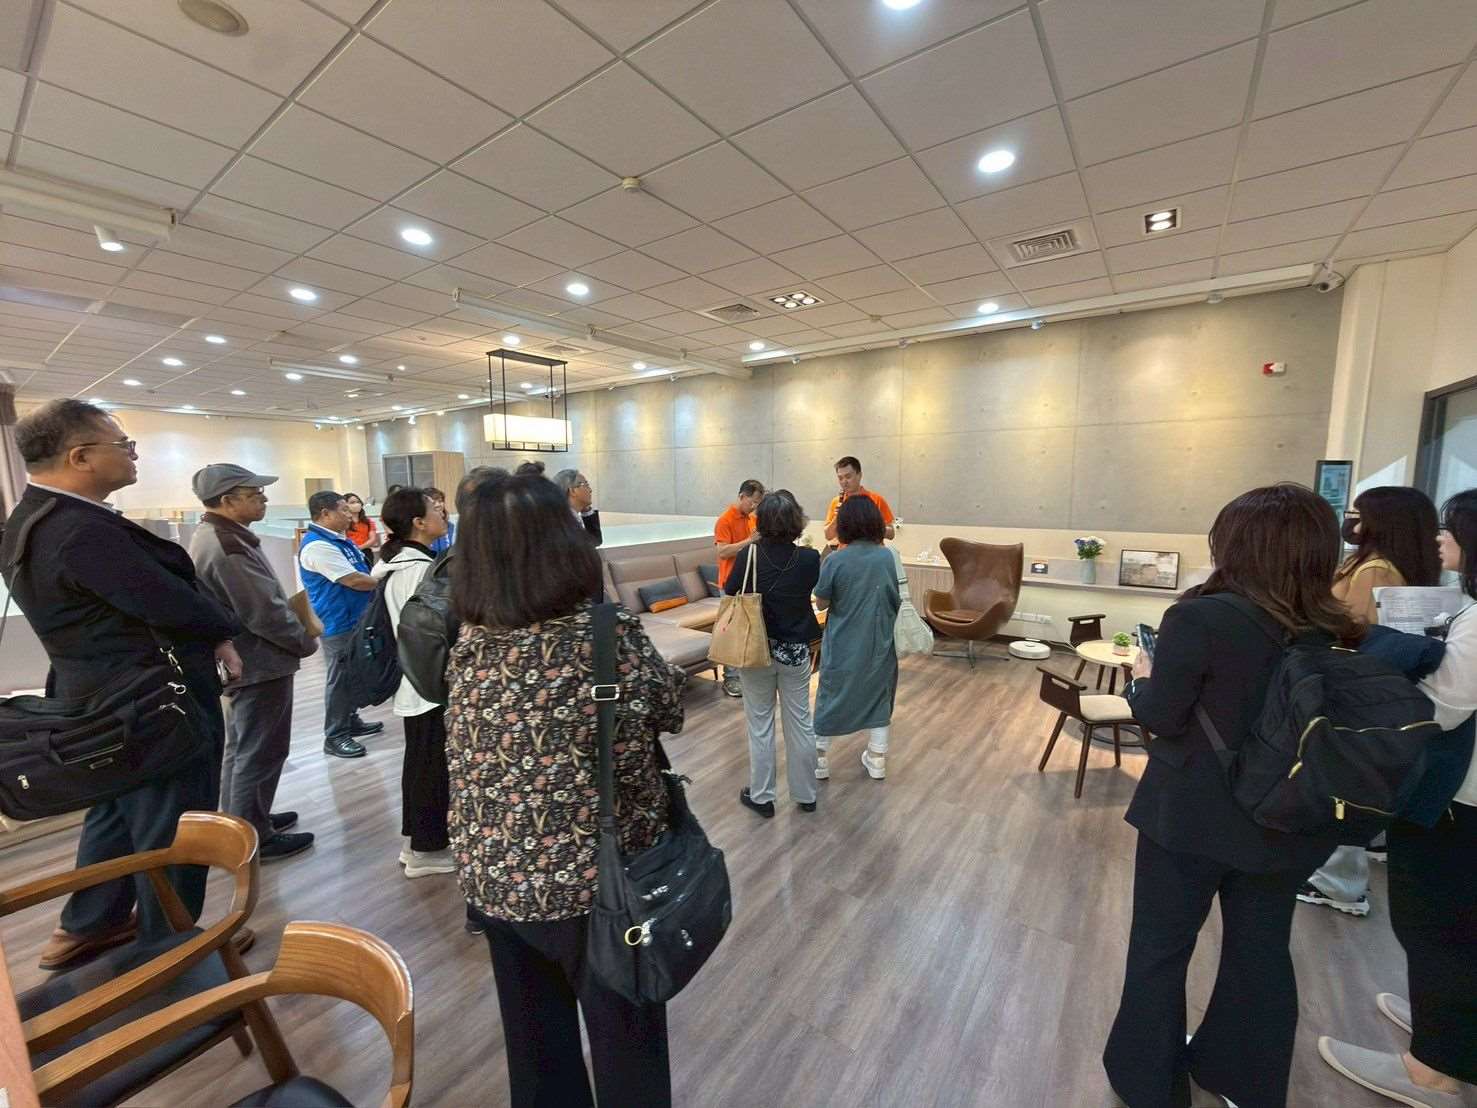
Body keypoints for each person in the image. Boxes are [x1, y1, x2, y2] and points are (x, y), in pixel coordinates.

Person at [1102, 484, 1361, 1108]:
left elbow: (1162, 716)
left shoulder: (1200, 618)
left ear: (1238, 546)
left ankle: (1149, 1084)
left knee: (1161, 949)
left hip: (1191, 815)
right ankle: (1243, 1078)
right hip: (1289, 817)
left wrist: (1140, 681)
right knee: (1261, 950)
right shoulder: (1337, 630)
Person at [447, 473, 684, 1107]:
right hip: (598, 888)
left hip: (496, 878)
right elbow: (668, 710)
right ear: (563, 544)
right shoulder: (603, 634)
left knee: (536, 1053)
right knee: (628, 1048)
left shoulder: (470, 640)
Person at [0, 400, 244, 969]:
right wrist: (224, 631)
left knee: (114, 813)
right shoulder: (80, 531)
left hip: (94, 698)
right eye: (123, 445)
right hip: (149, 704)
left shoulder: (32, 518)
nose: (134, 454)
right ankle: (173, 947)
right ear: (81, 457)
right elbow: (169, 602)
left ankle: (88, 925)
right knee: (174, 823)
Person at [1318, 489, 1477, 1108]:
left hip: (1456, 799)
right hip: (1455, 794)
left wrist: (1381, 676)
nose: (1441, 537)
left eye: (1452, 527)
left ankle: (1432, 1070)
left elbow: (1442, 705)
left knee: (1436, 922)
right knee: (1446, 924)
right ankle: (1448, 1032)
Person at [1300, 486, 1442, 918]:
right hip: (1378, 690)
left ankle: (1339, 881)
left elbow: (1350, 629)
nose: (1352, 522)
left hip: (1351, 686)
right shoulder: (1400, 567)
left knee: (1346, 777)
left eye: (1359, 514)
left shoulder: (1375, 570)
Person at [189, 464, 318, 863]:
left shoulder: (219, 535)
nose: (263, 499)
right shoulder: (227, 545)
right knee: (260, 749)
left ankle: (243, 819)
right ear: (228, 500)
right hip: (259, 662)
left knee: (244, 747)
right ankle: (252, 836)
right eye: (254, 493)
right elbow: (264, 611)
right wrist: (303, 641)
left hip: (252, 660)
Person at [369, 487, 455, 879]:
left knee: (421, 765)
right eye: (436, 509)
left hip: (415, 681)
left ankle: (416, 843)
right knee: (431, 768)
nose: (443, 513)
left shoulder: (400, 563)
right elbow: (429, 634)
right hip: (426, 685)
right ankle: (427, 850)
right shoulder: (420, 570)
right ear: (419, 522)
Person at [726, 490, 820, 817]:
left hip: (756, 650)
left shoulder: (748, 555)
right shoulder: (809, 558)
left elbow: (729, 590)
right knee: (800, 722)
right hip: (795, 651)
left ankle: (763, 797)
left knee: (760, 724)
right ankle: (806, 794)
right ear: (796, 521)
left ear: (761, 520)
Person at [813, 496, 900, 781]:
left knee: (831, 694)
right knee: (878, 696)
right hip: (878, 640)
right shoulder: (887, 557)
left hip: (843, 642)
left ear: (845, 524)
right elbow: (895, 597)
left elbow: (822, 603)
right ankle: (877, 758)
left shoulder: (836, 560)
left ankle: (819, 758)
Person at [298, 490, 383, 759]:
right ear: (325, 513)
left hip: (355, 617)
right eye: (344, 510)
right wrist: (386, 580)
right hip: (338, 620)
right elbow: (354, 580)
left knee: (352, 674)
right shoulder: (317, 546)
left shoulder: (339, 540)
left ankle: (350, 720)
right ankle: (335, 735)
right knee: (340, 678)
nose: (350, 514)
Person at [714, 478, 765, 697]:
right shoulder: (725, 520)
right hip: (730, 584)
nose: (754, 506)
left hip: (750, 581)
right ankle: (730, 678)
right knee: (731, 632)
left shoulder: (751, 519)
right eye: (752, 501)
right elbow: (722, 551)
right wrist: (749, 541)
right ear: (742, 496)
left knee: (750, 629)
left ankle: (746, 674)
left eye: (758, 503)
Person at [823, 455, 894, 551]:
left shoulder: (876, 499)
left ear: (859, 475)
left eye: (848, 477)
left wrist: (870, 526)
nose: (844, 482)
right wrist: (837, 518)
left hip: (873, 554)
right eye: (840, 478)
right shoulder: (836, 502)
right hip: (846, 554)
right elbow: (828, 536)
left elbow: (891, 534)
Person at [555, 467, 602, 546]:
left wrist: (587, 511)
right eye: (586, 485)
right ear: (573, 491)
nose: (590, 490)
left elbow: (595, 541)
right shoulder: (561, 521)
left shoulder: (571, 516)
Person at [343, 491, 378, 566]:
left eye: (358, 502)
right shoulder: (344, 522)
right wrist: (354, 549)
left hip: (366, 552)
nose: (356, 504)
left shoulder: (368, 521)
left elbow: (373, 539)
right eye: (352, 502)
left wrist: (359, 548)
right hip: (350, 553)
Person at [425, 486, 454, 556]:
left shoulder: (451, 526)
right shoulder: (422, 528)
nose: (438, 505)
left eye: (440, 501)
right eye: (433, 502)